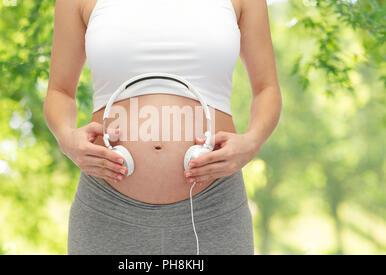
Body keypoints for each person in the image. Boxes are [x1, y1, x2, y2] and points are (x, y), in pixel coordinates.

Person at [43, 0, 282, 255]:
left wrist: (253, 141)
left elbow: (267, 88)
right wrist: (66, 137)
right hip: (107, 207)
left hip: (215, 207)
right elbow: (60, 91)